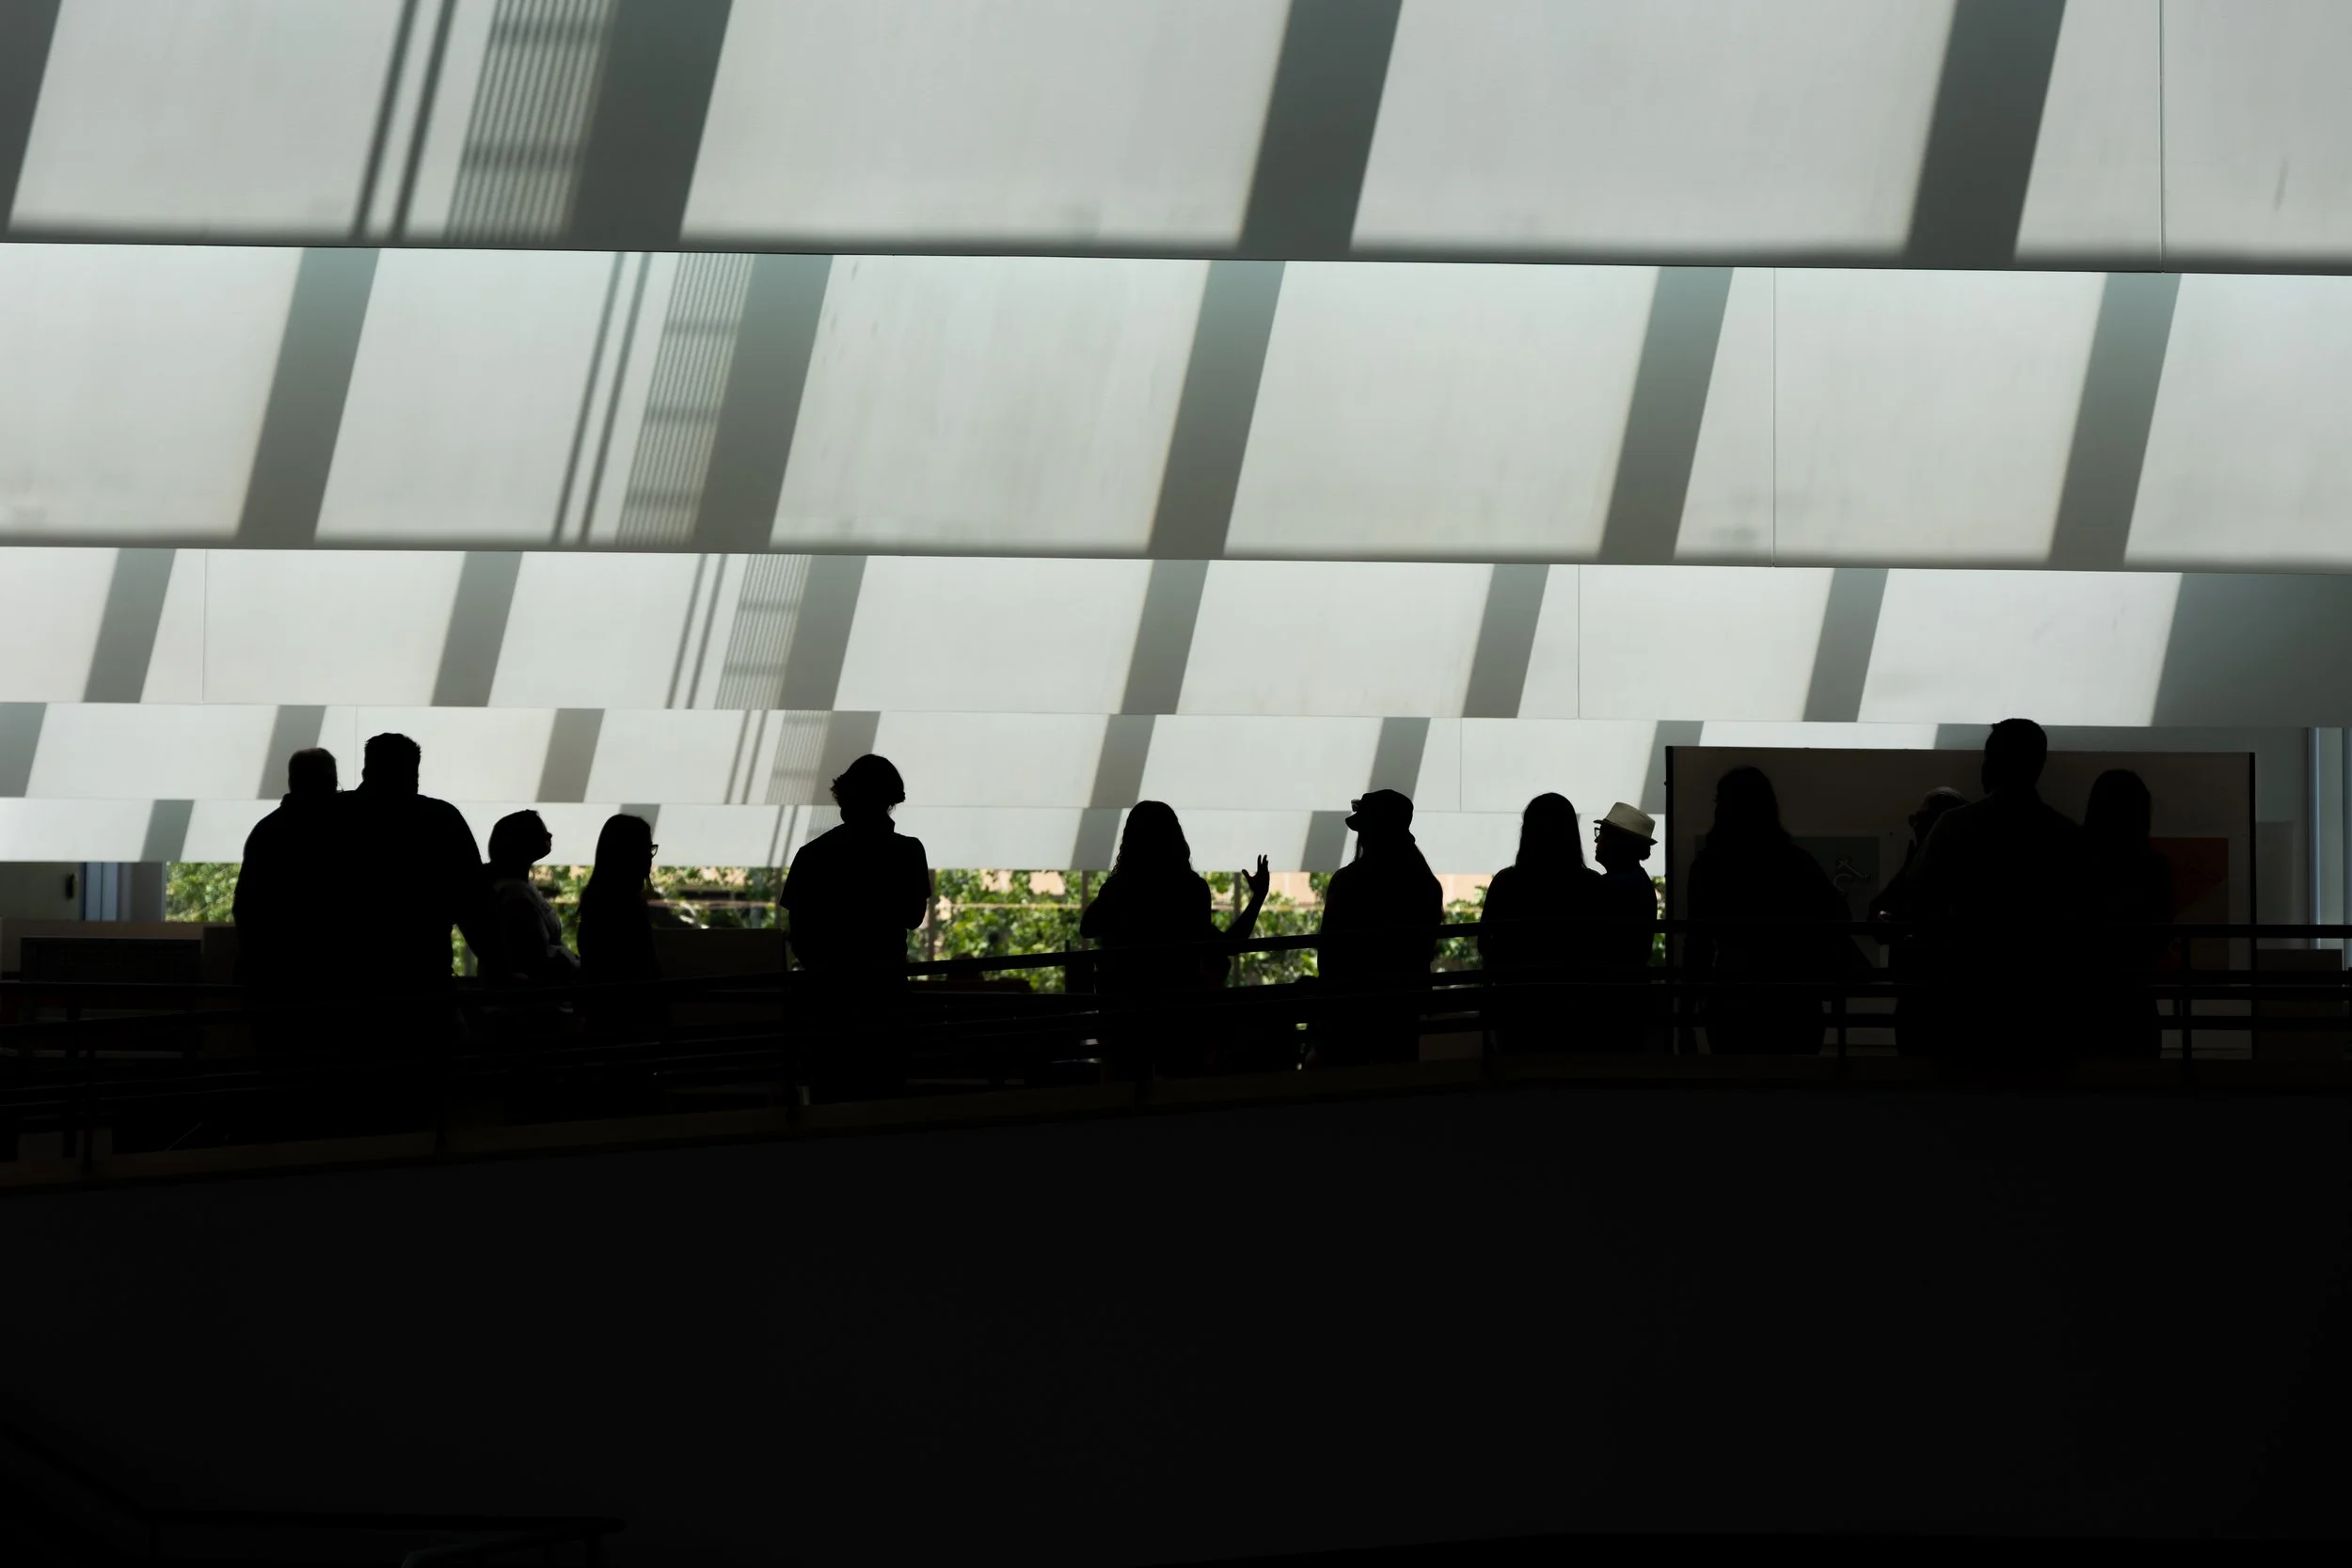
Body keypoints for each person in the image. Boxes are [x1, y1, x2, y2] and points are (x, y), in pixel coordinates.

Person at [1904, 719, 2088, 1064]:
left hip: (1968, 993)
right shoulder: (2065, 834)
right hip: (2041, 1000)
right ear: (2039, 764)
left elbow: (1918, 895)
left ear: (1994, 761)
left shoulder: (1955, 826)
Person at [1079, 801, 1269, 1076]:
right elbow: (1230, 945)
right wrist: (1257, 897)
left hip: (1124, 1017)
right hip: (1179, 1016)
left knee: (1121, 1092)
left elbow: (1088, 927)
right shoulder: (1191, 890)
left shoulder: (1120, 890)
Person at [780, 755, 931, 1094]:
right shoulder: (908, 852)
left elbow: (800, 934)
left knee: (832, 1095)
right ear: (889, 802)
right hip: (885, 996)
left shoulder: (813, 855)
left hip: (828, 1002)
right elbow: (913, 916)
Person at [1684, 767, 1853, 1055]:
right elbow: (1839, 916)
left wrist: (1687, 1014)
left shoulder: (1710, 866)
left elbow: (1697, 943)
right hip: (1795, 1000)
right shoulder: (1797, 862)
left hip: (1733, 999)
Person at [342, 733, 487, 1055]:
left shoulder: (333, 818)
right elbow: (473, 903)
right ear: (413, 773)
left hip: (345, 983)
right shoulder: (440, 819)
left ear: (367, 770)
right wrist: (499, 963)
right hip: (423, 977)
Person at [1316, 789, 1442, 1066]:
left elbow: (1329, 956)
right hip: (1403, 1010)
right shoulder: (1425, 885)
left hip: (1352, 1012)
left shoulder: (1348, 882)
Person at [233, 746, 346, 1054]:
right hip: (334, 983)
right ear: (329, 783)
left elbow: (247, 909)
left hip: (275, 982)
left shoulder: (268, 833)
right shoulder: (344, 834)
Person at [1477, 794, 1601, 1053]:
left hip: (1517, 1005)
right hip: (1576, 1005)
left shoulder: (1506, 883)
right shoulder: (1591, 885)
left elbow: (1484, 942)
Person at [2079, 769, 2171, 1060]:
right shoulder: (2154, 868)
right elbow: (2158, 936)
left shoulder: (2074, 861)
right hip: (2136, 1002)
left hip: (2083, 1001)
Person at [1872, 786, 1970, 1057]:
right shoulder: (1966, 871)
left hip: (1920, 993)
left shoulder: (1919, 869)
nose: (1913, 824)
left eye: (1919, 818)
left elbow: (1879, 915)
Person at [578, 813, 663, 1041]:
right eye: (646, 849)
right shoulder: (628, 905)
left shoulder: (596, 901)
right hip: (629, 1023)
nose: (649, 857)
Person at [1584, 802, 1661, 1052]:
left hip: (1610, 1001)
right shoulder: (1640, 883)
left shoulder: (1608, 888)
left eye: (1603, 835)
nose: (1597, 841)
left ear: (1621, 843)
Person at [481, 811, 578, 989]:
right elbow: (537, 954)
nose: (549, 835)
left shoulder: (520, 886)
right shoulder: (515, 892)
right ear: (523, 841)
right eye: (541, 832)